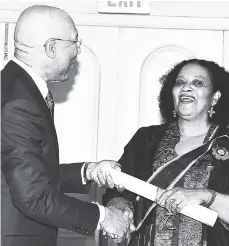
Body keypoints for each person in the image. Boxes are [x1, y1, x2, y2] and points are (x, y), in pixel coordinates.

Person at [1, 5, 133, 246]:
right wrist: (103, 216)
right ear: (51, 48)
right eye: (74, 41)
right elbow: (33, 197)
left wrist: (87, 171)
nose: (78, 50)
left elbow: (26, 174)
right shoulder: (18, 101)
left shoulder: (16, 88)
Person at [103, 59, 229, 246]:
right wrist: (120, 209)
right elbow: (117, 190)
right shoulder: (146, 138)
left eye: (198, 83)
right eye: (180, 82)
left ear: (215, 97)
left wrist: (204, 195)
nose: (186, 88)